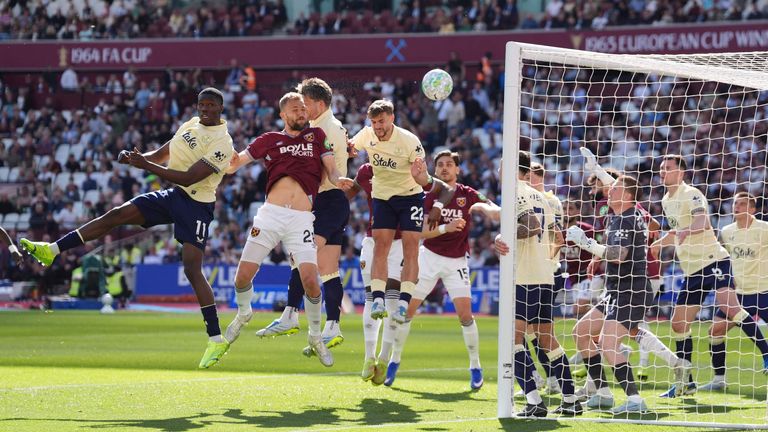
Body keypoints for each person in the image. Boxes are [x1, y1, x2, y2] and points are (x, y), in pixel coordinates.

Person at [21, 88, 235, 369]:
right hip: (174, 196)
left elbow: (188, 177)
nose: (205, 109)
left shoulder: (223, 142)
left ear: (221, 108)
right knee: (117, 214)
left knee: (192, 269)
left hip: (197, 204)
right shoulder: (190, 124)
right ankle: (52, 249)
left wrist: (145, 166)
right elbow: (162, 154)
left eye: (211, 105)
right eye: (201, 105)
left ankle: (216, 339)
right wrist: (137, 159)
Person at [223, 92, 352, 368]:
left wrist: (338, 180)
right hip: (270, 215)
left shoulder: (317, 137)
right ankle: (244, 313)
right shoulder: (269, 140)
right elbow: (237, 163)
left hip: (302, 219)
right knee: (241, 278)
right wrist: (227, 159)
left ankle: (315, 337)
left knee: (310, 280)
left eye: (304, 109)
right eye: (296, 109)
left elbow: (331, 169)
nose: (302, 113)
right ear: (283, 114)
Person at [567, 175, 688, 414]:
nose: (610, 191)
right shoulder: (621, 217)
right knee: (580, 332)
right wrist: (597, 255)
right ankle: (602, 393)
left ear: (629, 196)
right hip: (616, 290)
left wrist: (587, 244)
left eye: (616, 188)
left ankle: (634, 400)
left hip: (631, 291)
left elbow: (619, 255)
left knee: (609, 343)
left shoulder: (626, 218)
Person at [651, 155, 768, 398]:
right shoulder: (665, 200)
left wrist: (684, 231)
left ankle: (766, 353)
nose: (663, 172)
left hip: (714, 260)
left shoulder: (691, 193)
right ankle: (686, 381)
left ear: (681, 172)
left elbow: (703, 221)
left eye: (668, 168)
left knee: (730, 307)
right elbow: (677, 231)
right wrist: (660, 244)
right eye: (661, 168)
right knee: (678, 323)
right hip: (692, 269)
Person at [254, 78, 351, 357]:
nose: (302, 110)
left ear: (319, 105)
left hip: (326, 201)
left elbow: (319, 169)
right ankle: (333, 325)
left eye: (305, 105)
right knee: (328, 268)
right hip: (335, 202)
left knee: (301, 257)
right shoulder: (333, 126)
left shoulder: (319, 130)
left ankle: (290, 315)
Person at [385, 150, 496, 390]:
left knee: (466, 316)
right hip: (429, 258)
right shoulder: (426, 194)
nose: (445, 168)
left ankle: (475, 366)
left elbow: (490, 206)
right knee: (407, 312)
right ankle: (394, 360)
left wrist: (499, 211)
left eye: (449, 165)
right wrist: (447, 228)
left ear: (458, 169)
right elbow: (422, 231)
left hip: (457, 261)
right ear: (435, 170)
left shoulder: (468, 193)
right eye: (441, 165)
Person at [485, 152, 582, 417]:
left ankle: (534, 400)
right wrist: (544, 259)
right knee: (548, 339)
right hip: (545, 275)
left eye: (502, 165)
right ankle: (571, 399)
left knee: (512, 340)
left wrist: (503, 236)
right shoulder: (543, 197)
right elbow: (558, 238)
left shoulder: (515, 191)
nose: (499, 170)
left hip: (525, 277)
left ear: (513, 170)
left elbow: (532, 225)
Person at [350, 99, 444, 323]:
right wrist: (347, 151)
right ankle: (378, 299)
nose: (378, 126)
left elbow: (422, 177)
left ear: (392, 118)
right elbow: (350, 149)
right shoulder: (367, 134)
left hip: (410, 196)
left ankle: (403, 303)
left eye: (381, 121)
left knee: (411, 247)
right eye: (374, 122)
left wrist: (419, 174)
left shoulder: (409, 141)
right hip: (382, 196)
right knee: (380, 246)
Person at [701, 192, 768, 391]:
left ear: (752, 209)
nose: (735, 207)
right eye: (734, 203)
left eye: (741, 204)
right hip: (737, 294)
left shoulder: (764, 229)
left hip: (763, 292)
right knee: (715, 330)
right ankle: (719, 380)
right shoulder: (726, 231)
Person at [347, 162, 404, 385]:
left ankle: (384, 358)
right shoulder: (365, 171)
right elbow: (347, 194)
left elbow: (434, 189)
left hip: (399, 243)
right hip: (373, 240)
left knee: (391, 302)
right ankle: (369, 357)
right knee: (371, 297)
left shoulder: (406, 166)